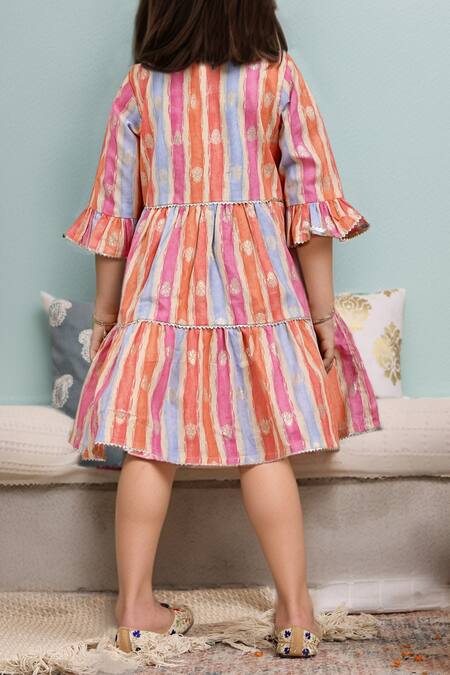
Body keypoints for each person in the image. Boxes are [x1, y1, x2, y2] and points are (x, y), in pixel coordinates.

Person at [62, 0, 381, 659]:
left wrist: (105, 316)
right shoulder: (278, 78)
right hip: (257, 285)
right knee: (265, 443)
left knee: (148, 443)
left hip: (160, 287)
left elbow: (114, 213)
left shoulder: (142, 86)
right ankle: (295, 612)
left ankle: (136, 609)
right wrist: (322, 315)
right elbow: (311, 207)